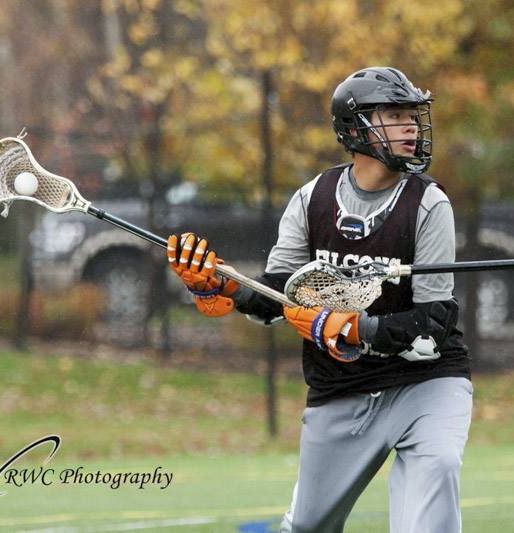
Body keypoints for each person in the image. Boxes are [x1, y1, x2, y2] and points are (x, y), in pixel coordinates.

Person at [167, 66, 473, 533]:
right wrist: (221, 284)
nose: (412, 126)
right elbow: (275, 296)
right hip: (340, 388)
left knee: (435, 484)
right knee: (309, 526)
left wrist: (353, 328)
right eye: (395, 115)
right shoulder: (313, 199)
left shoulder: (430, 204)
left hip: (425, 385)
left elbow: (433, 322)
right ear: (355, 127)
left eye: (413, 116)